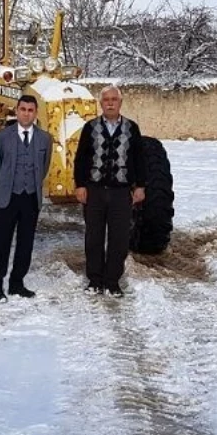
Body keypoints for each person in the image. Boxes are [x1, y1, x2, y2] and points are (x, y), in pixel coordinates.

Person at [73, 85, 146, 298]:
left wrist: (140, 185)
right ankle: (94, 280)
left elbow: (139, 159)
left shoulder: (132, 128)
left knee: (119, 239)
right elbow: (81, 159)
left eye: (114, 99)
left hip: (121, 192)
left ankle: (112, 281)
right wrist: (80, 185)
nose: (110, 103)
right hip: (94, 191)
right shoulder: (91, 127)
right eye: (106, 100)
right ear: (101, 103)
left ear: (120, 103)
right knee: (93, 237)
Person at [0, 94, 54, 302]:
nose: (26, 113)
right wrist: (8, 184)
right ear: (16, 111)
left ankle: (17, 283)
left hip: (30, 198)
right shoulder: (2, 137)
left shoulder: (45, 138)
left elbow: (43, 167)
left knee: (26, 243)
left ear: (35, 113)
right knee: (1, 243)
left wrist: (30, 185)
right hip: (8, 197)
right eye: (23, 109)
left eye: (30, 110)